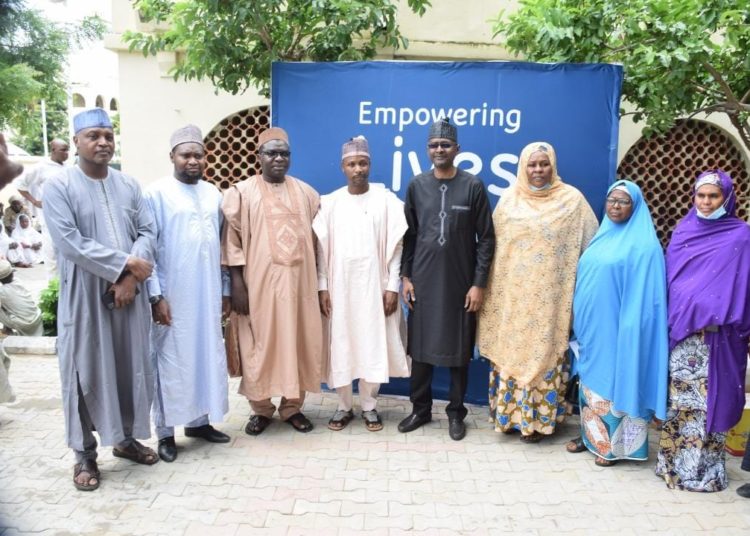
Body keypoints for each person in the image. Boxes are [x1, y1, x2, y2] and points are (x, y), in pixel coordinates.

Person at [44, 108, 158, 492]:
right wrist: (125, 265)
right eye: (93, 135)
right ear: (76, 141)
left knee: (129, 367)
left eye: (108, 135)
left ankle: (125, 440)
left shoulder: (129, 185)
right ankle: (84, 453)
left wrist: (129, 280)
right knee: (83, 371)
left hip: (129, 296)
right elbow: (69, 241)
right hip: (85, 296)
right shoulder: (59, 186)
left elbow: (147, 231)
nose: (103, 142)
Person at [478, 141, 598, 444]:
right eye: (532, 164)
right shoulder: (509, 201)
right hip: (513, 300)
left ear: (553, 165)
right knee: (512, 353)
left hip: (551, 303)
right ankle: (509, 419)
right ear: (523, 167)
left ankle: (539, 424)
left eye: (543, 164)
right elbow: (495, 251)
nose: (538, 170)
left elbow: (593, 247)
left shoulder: (572, 202)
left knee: (545, 355)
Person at [398, 118, 495, 441]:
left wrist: (478, 283)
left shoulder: (473, 186)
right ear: (428, 150)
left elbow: (487, 238)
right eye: (434, 145)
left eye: (445, 145)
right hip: (423, 281)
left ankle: (456, 413)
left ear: (457, 149)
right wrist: (406, 276)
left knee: (458, 352)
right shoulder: (417, 186)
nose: (439, 150)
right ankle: (420, 410)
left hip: (460, 283)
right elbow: (409, 237)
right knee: (421, 350)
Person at [222, 127, 322, 436]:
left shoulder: (307, 193)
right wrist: (237, 284)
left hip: (300, 288)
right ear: (259, 157)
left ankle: (292, 407)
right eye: (272, 153)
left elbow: (319, 242)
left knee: (298, 342)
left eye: (284, 154)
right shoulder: (242, 193)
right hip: (258, 288)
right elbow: (232, 242)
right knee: (259, 346)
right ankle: (261, 410)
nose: (279, 158)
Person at [655, 169, 750, 492]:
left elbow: (744, 286)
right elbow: (672, 280)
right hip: (683, 337)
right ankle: (672, 465)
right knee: (680, 402)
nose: (706, 202)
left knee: (709, 404)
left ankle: (705, 474)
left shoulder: (741, 236)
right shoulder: (684, 231)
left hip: (718, 339)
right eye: (701, 195)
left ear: (727, 198)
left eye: (714, 196)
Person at [565, 180, 668, 465]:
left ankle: (615, 447)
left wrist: (630, 329)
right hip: (591, 329)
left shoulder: (645, 246)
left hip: (619, 329)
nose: (615, 206)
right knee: (590, 384)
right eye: (611, 200)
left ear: (635, 207)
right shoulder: (603, 235)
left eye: (623, 201)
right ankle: (591, 437)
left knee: (612, 382)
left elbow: (648, 299)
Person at [145, 125, 230, 462]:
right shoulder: (155, 194)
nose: (193, 161)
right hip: (172, 295)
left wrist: (224, 290)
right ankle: (165, 433)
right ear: (172, 157)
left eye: (198, 155)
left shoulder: (213, 194)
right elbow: (148, 249)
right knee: (169, 360)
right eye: (186, 155)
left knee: (204, 355)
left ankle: (199, 422)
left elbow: (222, 247)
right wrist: (155, 296)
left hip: (206, 292)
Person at [313, 136, 410, 432]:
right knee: (340, 344)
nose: (358, 169)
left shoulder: (387, 202)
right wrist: (323, 286)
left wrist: (392, 286)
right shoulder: (329, 203)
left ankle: (369, 406)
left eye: (363, 163)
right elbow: (320, 251)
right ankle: (343, 406)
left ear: (370, 165)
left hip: (374, 288)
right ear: (343, 167)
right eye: (352, 164)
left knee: (371, 343)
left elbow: (397, 248)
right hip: (339, 288)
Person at [14, 138, 69, 276]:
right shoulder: (41, 167)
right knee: (52, 251)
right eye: (63, 150)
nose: (66, 153)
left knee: (66, 252)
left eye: (67, 150)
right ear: (53, 150)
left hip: (67, 215)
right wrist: (34, 201)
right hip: (50, 216)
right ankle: (54, 289)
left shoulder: (68, 168)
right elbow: (21, 184)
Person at [0, 259, 43, 336]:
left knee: (3, 307)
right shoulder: (17, 281)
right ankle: (7, 329)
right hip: (36, 317)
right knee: (5, 305)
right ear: (12, 274)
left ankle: (7, 332)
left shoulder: (2, 291)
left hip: (25, 323)